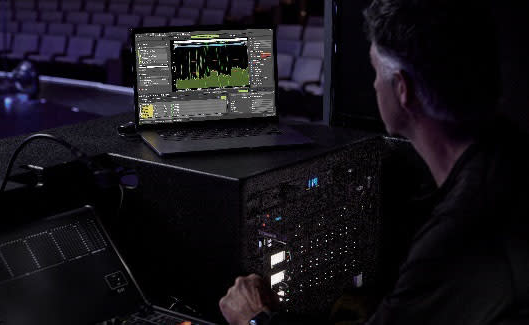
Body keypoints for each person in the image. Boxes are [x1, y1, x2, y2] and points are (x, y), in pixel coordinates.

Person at [219, 0, 529, 324]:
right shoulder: (508, 156)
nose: (373, 85)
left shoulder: (461, 235)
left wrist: (255, 318)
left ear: (402, 90)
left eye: (376, 72)